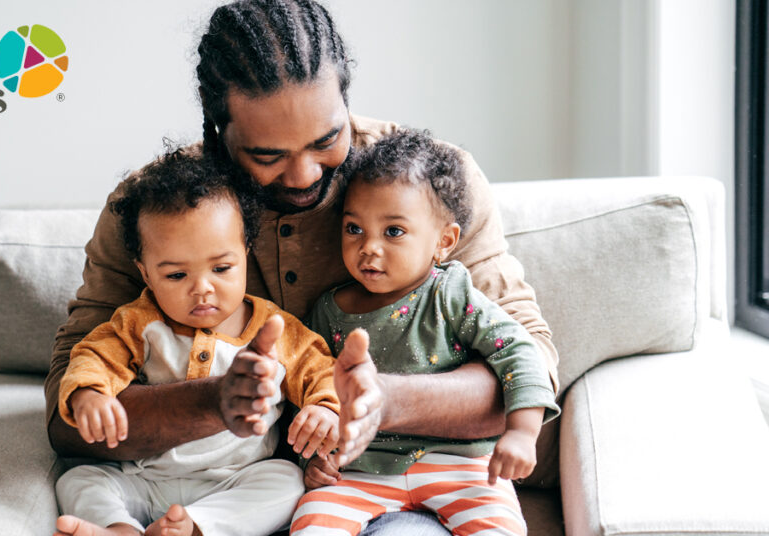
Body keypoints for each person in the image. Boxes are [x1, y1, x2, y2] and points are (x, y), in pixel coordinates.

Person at [46, 1, 560, 533]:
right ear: (219, 132)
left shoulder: (424, 187)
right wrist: (215, 401)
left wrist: (381, 400)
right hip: (224, 483)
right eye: (268, 155)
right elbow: (65, 421)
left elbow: (531, 359)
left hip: (388, 476)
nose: (302, 174)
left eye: (326, 140)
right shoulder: (154, 211)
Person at [54, 149, 343, 536]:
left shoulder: (275, 327)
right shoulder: (137, 322)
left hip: (235, 480)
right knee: (78, 480)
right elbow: (93, 356)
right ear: (144, 272)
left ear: (246, 252)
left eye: (221, 268)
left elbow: (320, 368)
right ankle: (119, 528)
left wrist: (325, 409)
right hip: (144, 477)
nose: (202, 289)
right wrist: (89, 394)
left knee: (286, 480)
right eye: (176, 275)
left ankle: (199, 528)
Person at [289, 130, 559, 536]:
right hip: (361, 468)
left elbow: (517, 351)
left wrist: (522, 433)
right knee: (311, 524)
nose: (369, 248)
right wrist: (314, 458)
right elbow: (307, 387)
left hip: (459, 465)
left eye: (393, 232)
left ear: (443, 242)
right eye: (353, 229)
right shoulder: (327, 311)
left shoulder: (451, 293)